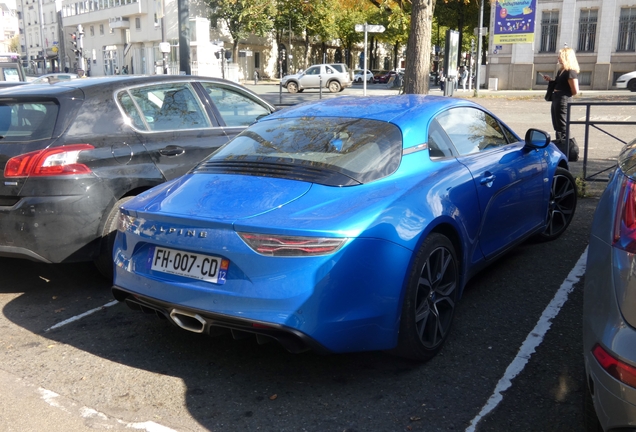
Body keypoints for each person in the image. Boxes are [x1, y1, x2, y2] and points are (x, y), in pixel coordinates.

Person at [543, 47, 579, 144]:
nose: (558, 58)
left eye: (560, 56)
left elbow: (575, 90)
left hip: (563, 99)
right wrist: (551, 80)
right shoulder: (561, 70)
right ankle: (560, 143)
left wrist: (563, 93)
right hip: (556, 98)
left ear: (566, 57)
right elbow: (560, 83)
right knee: (557, 124)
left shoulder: (570, 71)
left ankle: (566, 146)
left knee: (562, 124)